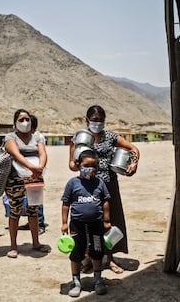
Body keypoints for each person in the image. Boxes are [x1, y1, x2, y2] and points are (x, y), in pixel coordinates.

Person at [68, 105, 140, 274]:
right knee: (88, 222)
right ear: (87, 121)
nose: (97, 123)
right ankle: (88, 258)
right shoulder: (78, 138)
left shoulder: (111, 137)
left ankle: (111, 258)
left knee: (110, 220)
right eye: (94, 120)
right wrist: (77, 164)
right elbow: (71, 164)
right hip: (86, 187)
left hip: (108, 185)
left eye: (100, 120)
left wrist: (134, 162)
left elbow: (133, 149)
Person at [61, 149, 110, 297]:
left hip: (96, 224)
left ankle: (98, 279)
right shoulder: (72, 183)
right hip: (77, 224)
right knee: (76, 252)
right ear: (78, 164)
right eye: (86, 165)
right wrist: (64, 222)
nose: (90, 169)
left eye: (94, 166)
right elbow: (65, 203)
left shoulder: (99, 183)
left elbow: (106, 201)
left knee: (97, 252)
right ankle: (76, 281)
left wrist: (107, 220)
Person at [4, 109, 50, 258]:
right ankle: (13, 246)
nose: (25, 122)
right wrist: (32, 168)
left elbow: (42, 153)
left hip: (35, 177)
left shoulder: (37, 137)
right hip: (15, 179)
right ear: (15, 123)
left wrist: (39, 168)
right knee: (15, 211)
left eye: (27, 119)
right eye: (21, 119)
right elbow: (16, 155)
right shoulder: (10, 137)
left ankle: (36, 242)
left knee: (33, 211)